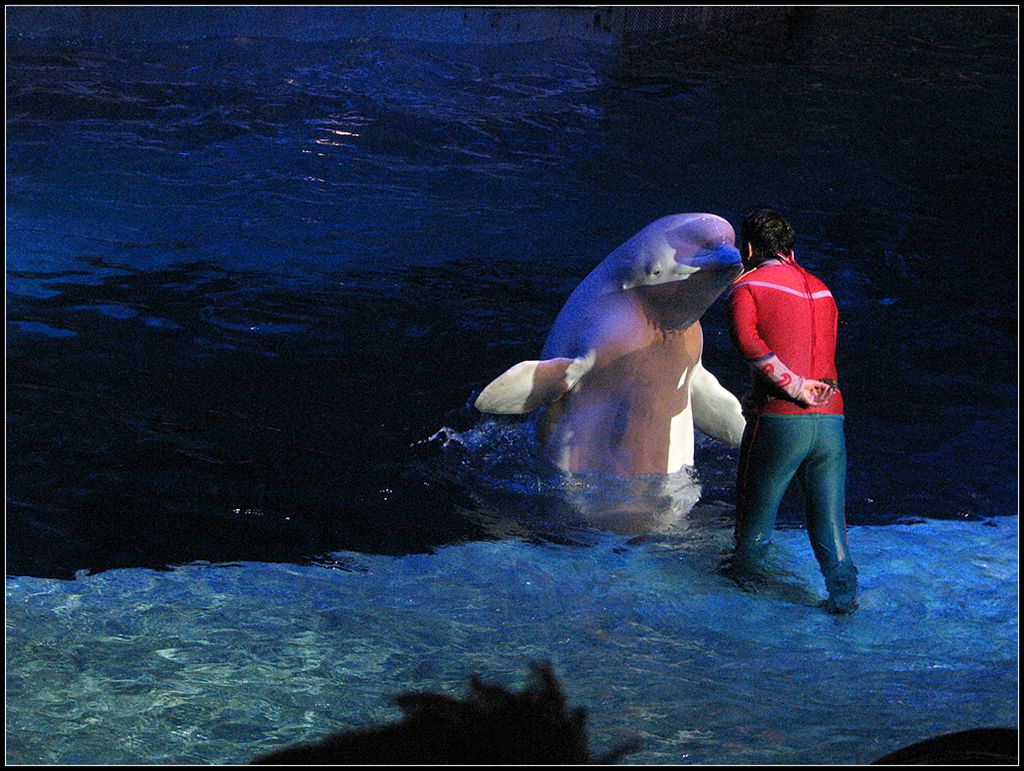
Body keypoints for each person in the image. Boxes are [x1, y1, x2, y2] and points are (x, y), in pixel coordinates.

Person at [725, 208, 858, 614]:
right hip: (831, 418)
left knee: (754, 524)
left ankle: (746, 607)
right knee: (830, 523)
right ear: (789, 247)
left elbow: (749, 343)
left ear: (748, 248)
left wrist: (792, 387)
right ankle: (844, 599)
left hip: (782, 419)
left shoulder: (749, 286)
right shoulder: (823, 288)